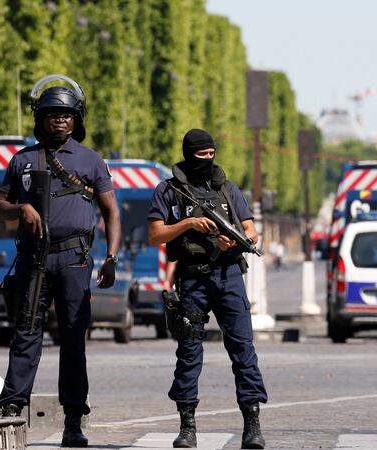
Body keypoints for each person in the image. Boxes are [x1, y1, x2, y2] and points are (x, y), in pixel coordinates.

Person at [0, 75, 121, 448]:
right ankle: (12, 410)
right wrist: (21, 208)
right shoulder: (22, 160)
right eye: (52, 114)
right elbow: (1, 208)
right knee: (26, 335)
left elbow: (111, 212)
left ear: (76, 119)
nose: (59, 120)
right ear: (41, 118)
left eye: (66, 115)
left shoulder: (90, 160)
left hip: (74, 259)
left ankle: (73, 420)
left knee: (73, 340)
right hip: (34, 259)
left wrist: (111, 257)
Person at [148, 129, 267, 449]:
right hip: (192, 279)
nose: (207, 160)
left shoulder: (227, 189)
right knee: (189, 354)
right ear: (188, 154)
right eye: (201, 155)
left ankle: (252, 424)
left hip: (228, 276)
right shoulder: (170, 191)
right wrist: (189, 224)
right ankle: (187, 426)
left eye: (211, 154)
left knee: (243, 351)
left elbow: (251, 230)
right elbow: (156, 235)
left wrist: (240, 241)